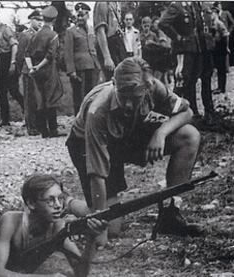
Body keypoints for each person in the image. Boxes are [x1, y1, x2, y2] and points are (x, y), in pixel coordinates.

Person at [66, 57, 203, 252]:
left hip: (126, 136)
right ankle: (69, 204)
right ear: (114, 85)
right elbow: (98, 175)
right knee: (110, 229)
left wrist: (160, 133)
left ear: (147, 87)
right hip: (86, 144)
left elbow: (186, 112)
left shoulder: (155, 86)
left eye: (136, 96)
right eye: (123, 95)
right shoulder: (96, 111)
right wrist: (99, 227)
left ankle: (170, 214)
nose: (129, 104)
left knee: (189, 135)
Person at [0, 174, 106, 277]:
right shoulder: (10, 220)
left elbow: (81, 272)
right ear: (31, 203)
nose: (58, 205)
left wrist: (91, 238)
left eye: (60, 199)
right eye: (50, 200)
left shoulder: (58, 228)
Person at [159, 1, 207, 118]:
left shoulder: (194, 5)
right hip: (183, 50)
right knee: (181, 80)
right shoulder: (176, 6)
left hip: (195, 49)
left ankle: (192, 111)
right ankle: (171, 113)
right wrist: (177, 37)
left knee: (192, 80)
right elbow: (163, 23)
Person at [25, 5, 65, 138]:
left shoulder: (35, 35)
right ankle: (53, 130)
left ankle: (43, 130)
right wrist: (40, 66)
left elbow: (27, 54)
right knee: (51, 97)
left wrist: (32, 68)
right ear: (53, 20)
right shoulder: (53, 36)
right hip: (48, 70)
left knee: (40, 99)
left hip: (36, 71)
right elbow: (50, 56)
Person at [0, 12, 24, 128]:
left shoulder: (6, 29)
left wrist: (12, 62)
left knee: (13, 90)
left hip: (8, 59)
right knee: (1, 91)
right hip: (1, 60)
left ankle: (29, 114)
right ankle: (5, 119)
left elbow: (14, 45)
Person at [64, 2, 101, 115]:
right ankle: (78, 119)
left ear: (88, 16)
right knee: (78, 96)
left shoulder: (92, 30)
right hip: (78, 69)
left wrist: (98, 66)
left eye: (83, 15)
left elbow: (95, 49)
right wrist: (71, 71)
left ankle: (89, 118)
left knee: (91, 94)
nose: (80, 18)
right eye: (78, 15)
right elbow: (68, 52)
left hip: (92, 67)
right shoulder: (71, 31)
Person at [16, 10, 43, 136]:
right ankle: (31, 126)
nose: (39, 22)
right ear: (31, 20)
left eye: (41, 20)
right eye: (37, 20)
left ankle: (39, 124)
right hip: (29, 71)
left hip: (40, 71)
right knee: (30, 100)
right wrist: (23, 70)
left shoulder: (41, 34)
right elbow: (21, 55)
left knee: (39, 99)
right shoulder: (25, 35)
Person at [93, 1, 127, 81]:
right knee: (113, 80)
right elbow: (100, 31)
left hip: (118, 44)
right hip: (110, 46)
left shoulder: (115, 3)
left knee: (123, 78)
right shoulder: (103, 3)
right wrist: (107, 57)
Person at [210, 5, 231, 96]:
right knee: (219, 68)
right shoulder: (213, 23)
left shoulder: (219, 23)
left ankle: (222, 88)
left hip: (221, 48)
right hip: (216, 48)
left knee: (222, 69)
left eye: (213, 13)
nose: (211, 15)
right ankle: (219, 87)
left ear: (216, 14)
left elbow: (226, 35)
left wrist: (226, 47)